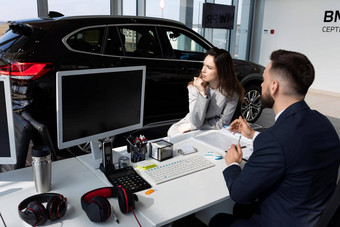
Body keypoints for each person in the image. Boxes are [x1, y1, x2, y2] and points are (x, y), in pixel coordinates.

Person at [209, 49, 340, 226]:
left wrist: (232, 163)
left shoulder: (275, 139)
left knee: (218, 220)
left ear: (274, 86)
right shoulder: (323, 122)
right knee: (241, 209)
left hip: (278, 220)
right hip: (308, 215)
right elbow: (292, 148)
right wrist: (253, 135)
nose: (261, 85)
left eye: (264, 80)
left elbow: (239, 192)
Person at [167, 47, 244, 137]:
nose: (203, 70)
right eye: (203, 65)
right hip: (186, 126)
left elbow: (223, 123)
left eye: (209, 67)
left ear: (222, 71)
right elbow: (196, 121)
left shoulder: (232, 94)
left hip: (209, 130)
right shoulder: (194, 87)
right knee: (173, 135)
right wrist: (202, 94)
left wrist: (192, 127)